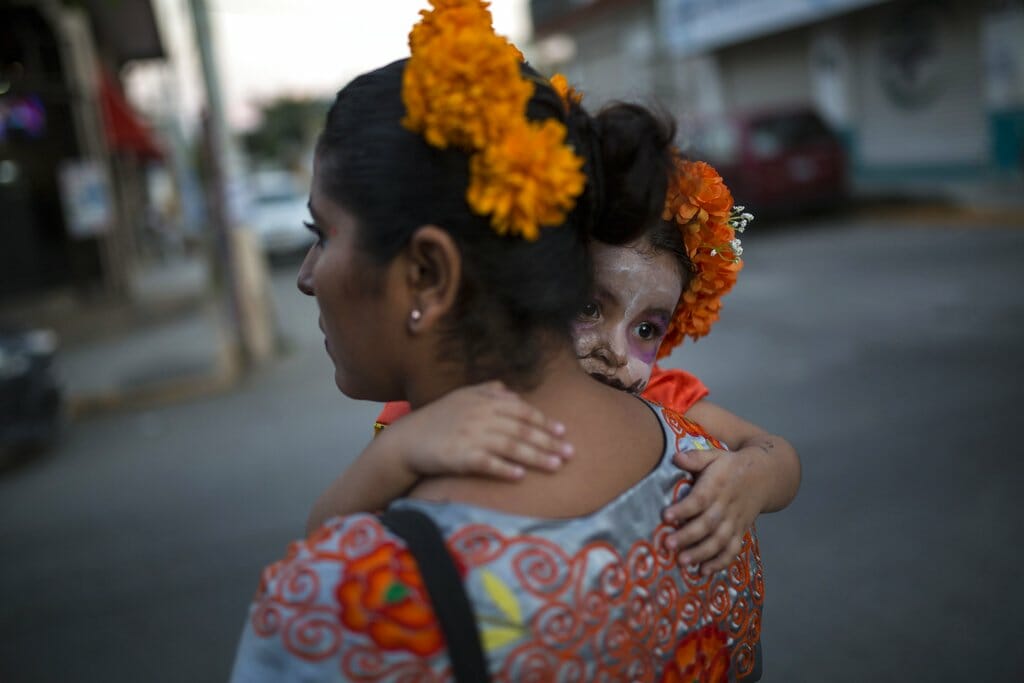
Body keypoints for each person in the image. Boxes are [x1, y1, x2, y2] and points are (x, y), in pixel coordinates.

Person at [231, 1, 762, 680]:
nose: (307, 277)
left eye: (322, 234)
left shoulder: (345, 602)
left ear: (427, 273)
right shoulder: (712, 479)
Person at [308, 157, 800, 580]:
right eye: (588, 308)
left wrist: (749, 478)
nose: (615, 351)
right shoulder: (448, 413)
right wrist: (400, 453)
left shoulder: (665, 402)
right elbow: (322, 550)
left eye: (647, 330)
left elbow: (778, 453)